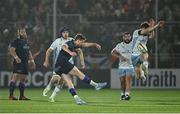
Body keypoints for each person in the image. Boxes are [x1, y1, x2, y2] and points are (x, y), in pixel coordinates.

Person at [55, 33, 107, 105]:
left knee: (69, 83)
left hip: (58, 66)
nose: (82, 44)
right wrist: (70, 52)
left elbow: (84, 45)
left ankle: (77, 99)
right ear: (78, 40)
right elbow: (63, 47)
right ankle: (96, 85)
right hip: (63, 63)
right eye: (82, 42)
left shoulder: (75, 45)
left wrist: (95, 44)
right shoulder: (70, 43)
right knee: (78, 73)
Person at [42, 26, 75, 102]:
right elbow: (49, 51)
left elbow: (78, 49)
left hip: (68, 65)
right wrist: (46, 61)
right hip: (59, 64)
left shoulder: (72, 40)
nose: (66, 34)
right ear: (61, 33)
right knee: (56, 79)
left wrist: (81, 58)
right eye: (64, 32)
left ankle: (52, 97)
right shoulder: (57, 41)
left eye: (67, 32)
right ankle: (49, 86)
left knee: (61, 81)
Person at [8, 26, 36, 100]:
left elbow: (29, 52)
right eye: (22, 32)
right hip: (18, 62)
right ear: (18, 33)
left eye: (25, 32)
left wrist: (32, 60)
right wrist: (16, 57)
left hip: (25, 63)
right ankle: (11, 96)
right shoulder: (15, 41)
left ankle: (22, 96)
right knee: (15, 77)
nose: (24, 33)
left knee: (23, 79)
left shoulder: (26, 42)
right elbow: (11, 50)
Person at [111, 32, 134, 100]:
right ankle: (122, 94)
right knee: (122, 82)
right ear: (123, 38)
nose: (127, 38)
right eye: (126, 37)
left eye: (128, 36)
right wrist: (120, 57)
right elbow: (112, 52)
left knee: (128, 80)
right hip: (121, 66)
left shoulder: (133, 44)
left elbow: (138, 52)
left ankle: (127, 95)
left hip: (130, 66)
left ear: (130, 37)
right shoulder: (119, 45)